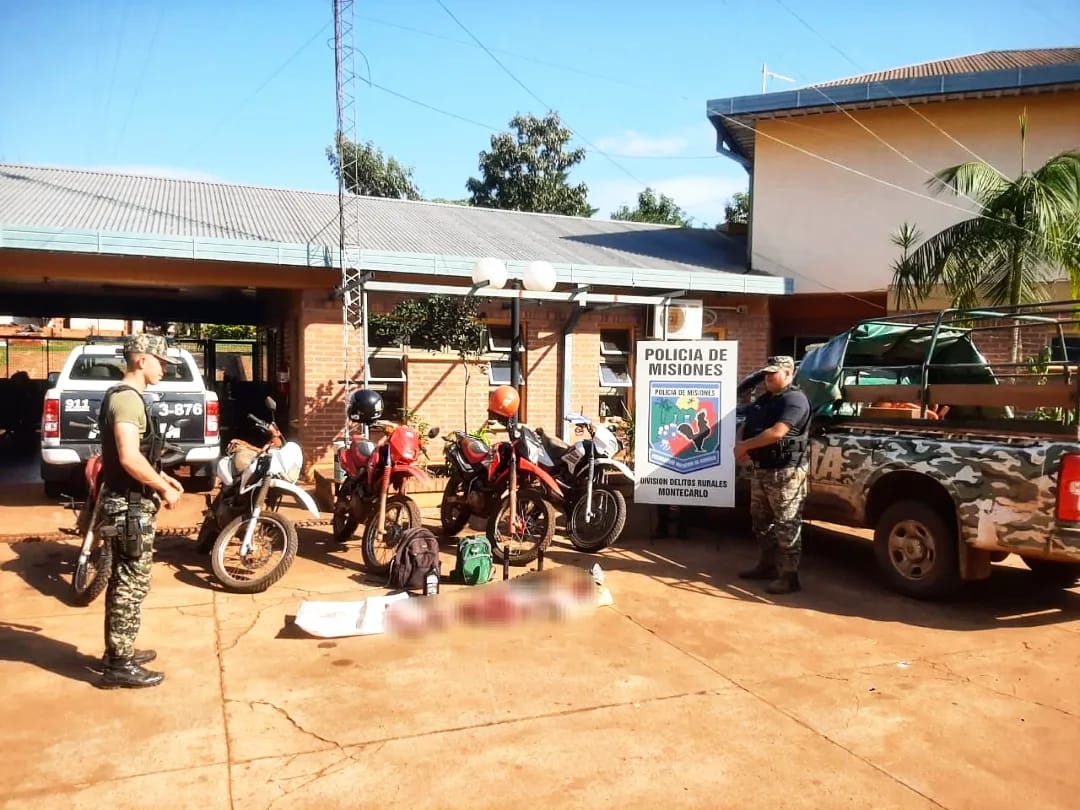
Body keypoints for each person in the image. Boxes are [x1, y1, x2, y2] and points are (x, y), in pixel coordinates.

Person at [97, 334, 185, 689]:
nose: (165, 369)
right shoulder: (127, 400)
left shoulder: (127, 398)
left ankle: (120, 650)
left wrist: (164, 478)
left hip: (129, 501)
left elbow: (142, 456)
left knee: (126, 580)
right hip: (127, 505)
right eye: (161, 363)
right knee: (130, 583)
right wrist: (162, 488)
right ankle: (119, 664)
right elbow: (128, 457)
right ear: (141, 361)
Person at [733, 356, 812, 595]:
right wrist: (741, 445)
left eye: (773, 373)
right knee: (760, 521)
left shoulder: (795, 400)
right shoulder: (766, 399)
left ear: (789, 374)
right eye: (766, 373)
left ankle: (790, 576)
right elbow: (745, 424)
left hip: (785, 470)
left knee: (786, 524)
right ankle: (767, 565)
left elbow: (778, 433)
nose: (767, 378)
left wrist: (745, 446)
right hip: (762, 468)